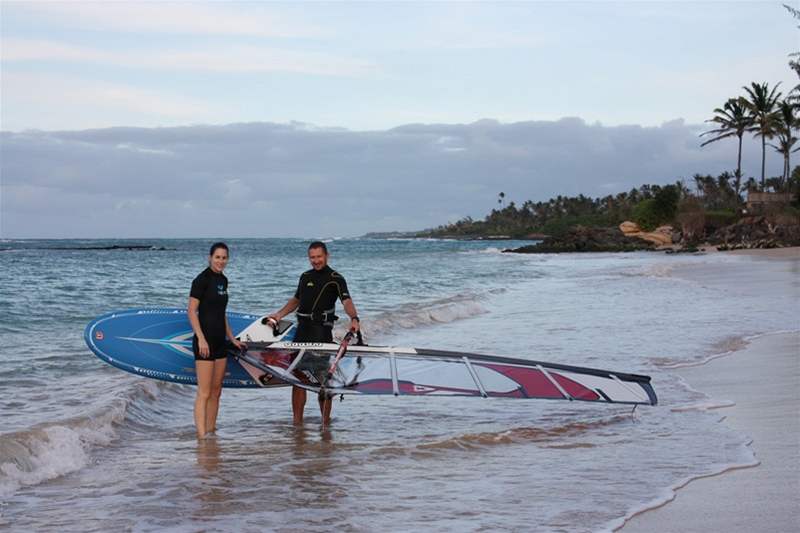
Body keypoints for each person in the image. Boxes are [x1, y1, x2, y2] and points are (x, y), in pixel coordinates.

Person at [267, 241, 360, 426]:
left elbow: (346, 301)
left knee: (322, 380)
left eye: (319, 257)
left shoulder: (336, 278)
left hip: (320, 332)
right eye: (312, 257)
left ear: (326, 256)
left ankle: (325, 423)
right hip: (302, 331)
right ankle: (297, 424)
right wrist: (279, 314)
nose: (316, 261)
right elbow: (296, 300)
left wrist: (354, 318)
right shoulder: (305, 276)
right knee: (297, 378)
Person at [188, 242, 245, 439]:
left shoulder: (224, 281)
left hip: (220, 342)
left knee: (216, 390)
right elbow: (191, 311)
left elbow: (222, 314)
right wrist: (201, 339)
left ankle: (211, 431)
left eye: (224, 258)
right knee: (204, 392)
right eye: (217, 257)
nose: (221, 261)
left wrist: (232, 339)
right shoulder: (201, 280)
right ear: (210, 257)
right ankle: (202, 437)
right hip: (205, 343)